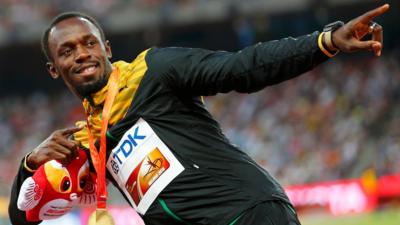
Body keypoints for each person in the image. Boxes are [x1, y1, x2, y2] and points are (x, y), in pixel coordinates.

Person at [9, 4, 389, 225]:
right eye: (68, 50)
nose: (82, 54)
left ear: (106, 48)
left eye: (90, 43)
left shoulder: (154, 70)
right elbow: (24, 217)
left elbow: (243, 67)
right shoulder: (88, 141)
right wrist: (29, 164)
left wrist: (324, 42)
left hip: (246, 215)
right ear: (54, 69)